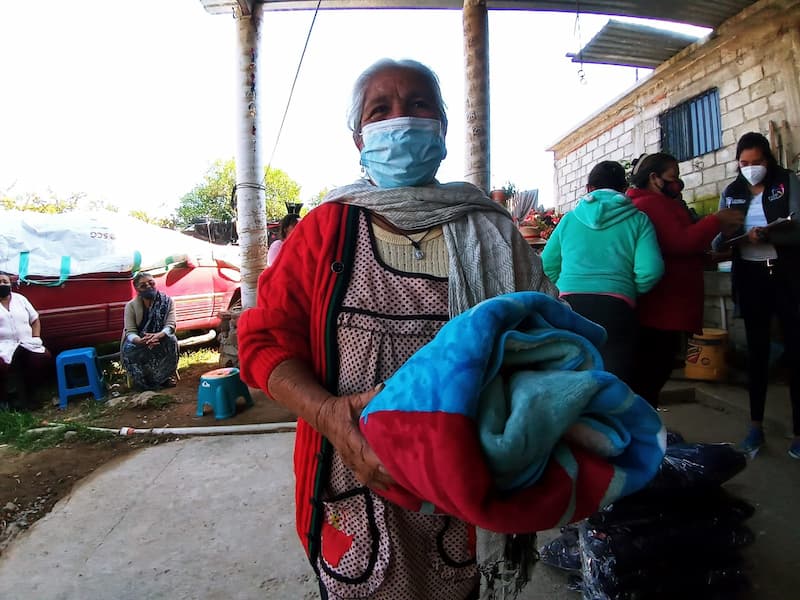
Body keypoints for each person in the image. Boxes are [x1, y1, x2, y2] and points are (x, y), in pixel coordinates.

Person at [238, 58, 558, 600]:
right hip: (352, 473)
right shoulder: (325, 230)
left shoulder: (492, 232)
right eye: (380, 109)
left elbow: (546, 344)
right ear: (358, 137)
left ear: (443, 127)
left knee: (461, 586)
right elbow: (263, 342)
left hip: (466, 481)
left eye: (417, 104)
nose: (400, 119)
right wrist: (328, 415)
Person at [626, 153, 743, 408]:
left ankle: (648, 430)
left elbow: (678, 247)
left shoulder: (658, 203)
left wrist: (708, 257)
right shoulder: (650, 204)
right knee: (653, 373)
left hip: (665, 306)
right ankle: (646, 434)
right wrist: (717, 220)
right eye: (673, 178)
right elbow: (680, 241)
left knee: (655, 372)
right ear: (654, 178)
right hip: (661, 308)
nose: (678, 184)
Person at [541, 160, 664, 386]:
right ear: (624, 189)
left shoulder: (569, 219)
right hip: (616, 309)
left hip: (570, 305)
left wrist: (566, 286)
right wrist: (624, 287)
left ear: (589, 189)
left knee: (570, 378)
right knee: (613, 382)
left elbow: (547, 264)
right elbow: (651, 270)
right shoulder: (638, 220)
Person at [716, 132, 800, 458]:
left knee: (795, 350)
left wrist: (770, 232)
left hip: (786, 275)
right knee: (757, 351)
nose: (751, 168)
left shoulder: (787, 183)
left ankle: (797, 432)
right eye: (744, 163)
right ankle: (755, 427)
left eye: (757, 162)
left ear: (768, 160)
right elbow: (717, 242)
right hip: (750, 277)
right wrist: (728, 237)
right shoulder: (732, 192)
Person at [0, 272, 51, 410]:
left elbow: (35, 320)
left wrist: (35, 337)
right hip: (3, 346)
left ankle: (31, 395)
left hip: (27, 343)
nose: (2, 285)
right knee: (1, 366)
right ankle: (5, 400)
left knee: (42, 358)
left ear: (10, 283)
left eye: (5, 282)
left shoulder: (20, 299)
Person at [121, 272, 179, 390]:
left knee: (171, 340)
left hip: (160, 337)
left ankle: (164, 378)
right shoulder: (131, 306)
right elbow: (130, 332)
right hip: (140, 340)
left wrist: (159, 335)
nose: (148, 286)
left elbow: (171, 325)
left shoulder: (167, 302)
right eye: (143, 285)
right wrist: (141, 341)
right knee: (129, 348)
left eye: (151, 283)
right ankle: (142, 381)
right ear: (137, 289)